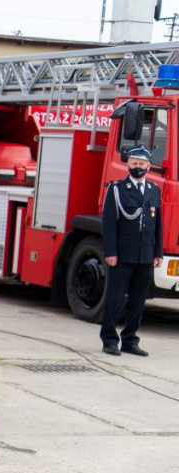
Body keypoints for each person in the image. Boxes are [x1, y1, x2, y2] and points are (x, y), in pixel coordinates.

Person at [99, 146, 162, 357]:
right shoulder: (117, 189)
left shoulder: (154, 190)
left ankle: (130, 340)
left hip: (145, 255)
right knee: (115, 299)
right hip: (122, 255)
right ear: (128, 165)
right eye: (134, 163)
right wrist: (110, 251)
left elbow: (157, 224)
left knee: (138, 300)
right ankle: (109, 340)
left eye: (142, 164)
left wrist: (158, 253)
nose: (138, 167)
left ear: (148, 166)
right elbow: (109, 223)